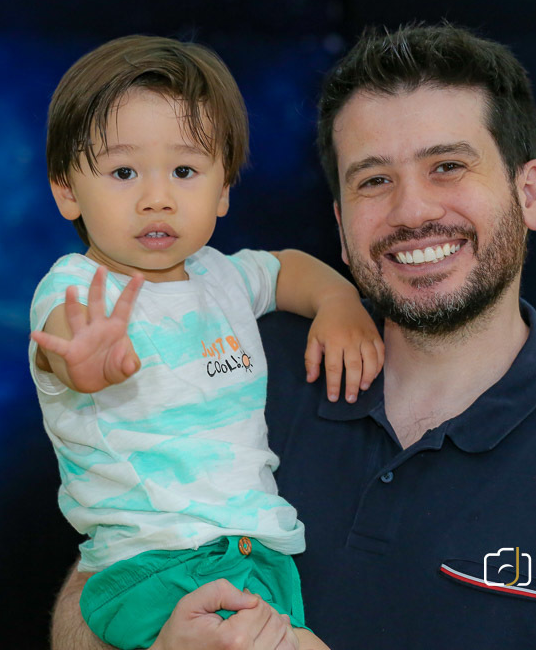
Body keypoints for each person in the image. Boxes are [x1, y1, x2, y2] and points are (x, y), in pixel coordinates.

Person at [51, 24, 536, 649]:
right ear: (341, 225)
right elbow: (94, 590)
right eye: (374, 180)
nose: (412, 210)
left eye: (447, 166)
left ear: (531, 194)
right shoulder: (241, 361)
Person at [30, 35, 383, 650]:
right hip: (152, 565)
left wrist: (338, 301)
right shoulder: (78, 286)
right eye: (123, 172)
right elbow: (59, 336)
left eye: (185, 171)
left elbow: (289, 268)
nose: (157, 198)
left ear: (223, 190)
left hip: (256, 556)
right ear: (66, 190)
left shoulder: (223, 277)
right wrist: (81, 361)